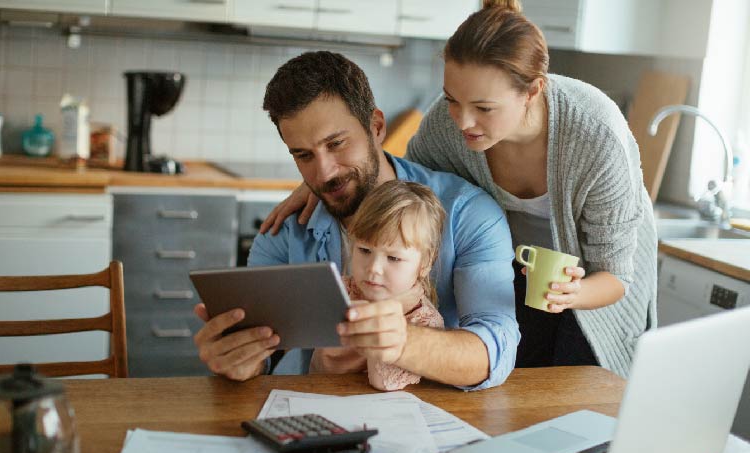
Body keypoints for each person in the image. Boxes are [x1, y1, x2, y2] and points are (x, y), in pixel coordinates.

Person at [260, 1, 658, 378]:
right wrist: (324, 183)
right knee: (517, 384)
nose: (463, 121)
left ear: (533, 92)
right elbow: (406, 186)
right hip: (519, 270)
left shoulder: (595, 134)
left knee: (584, 392)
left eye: (483, 108)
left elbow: (617, 276)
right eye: (452, 100)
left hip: (594, 279)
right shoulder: (444, 127)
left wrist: (571, 293)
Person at [194, 50, 520, 390]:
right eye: (303, 155)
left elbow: (496, 349)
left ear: (376, 127)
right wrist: (239, 359)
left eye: (336, 144)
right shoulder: (285, 230)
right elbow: (263, 355)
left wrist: (401, 343)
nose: (323, 173)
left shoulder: (466, 214)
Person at [310, 180, 446, 391]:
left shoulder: (423, 321)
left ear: (425, 263)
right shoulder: (343, 291)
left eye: (393, 258)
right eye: (364, 250)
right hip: (322, 398)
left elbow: (383, 382)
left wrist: (379, 314)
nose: (374, 268)